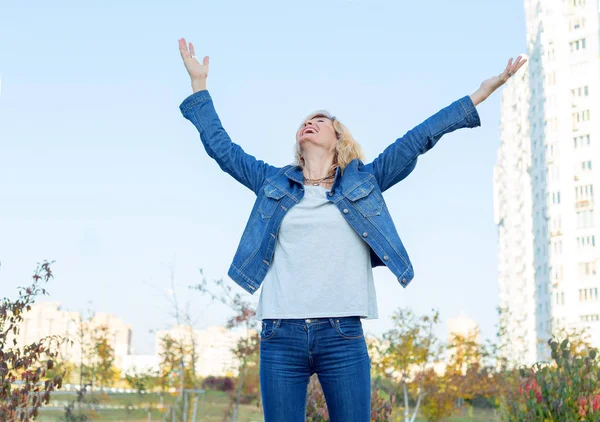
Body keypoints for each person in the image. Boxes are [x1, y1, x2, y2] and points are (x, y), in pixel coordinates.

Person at [177, 37, 526, 422]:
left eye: (320, 120)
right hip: (280, 334)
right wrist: (199, 86)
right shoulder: (272, 183)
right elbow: (223, 150)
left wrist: (480, 93)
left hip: (341, 334)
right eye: (305, 121)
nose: (309, 122)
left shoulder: (365, 182)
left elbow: (418, 138)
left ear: (338, 138)